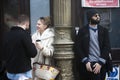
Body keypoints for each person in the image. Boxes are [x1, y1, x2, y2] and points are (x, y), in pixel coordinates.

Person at [74, 9, 112, 80]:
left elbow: (107, 47)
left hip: (101, 64)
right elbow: (78, 47)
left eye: (98, 15)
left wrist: (100, 62)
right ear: (90, 18)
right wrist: (85, 61)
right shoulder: (82, 31)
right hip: (87, 64)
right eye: (95, 16)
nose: (98, 17)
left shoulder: (104, 30)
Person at [2, 14, 37, 80]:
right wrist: (33, 45)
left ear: (17, 22)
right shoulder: (25, 35)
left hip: (10, 72)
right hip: (23, 73)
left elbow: (3, 54)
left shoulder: (7, 35)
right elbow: (33, 53)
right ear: (26, 23)